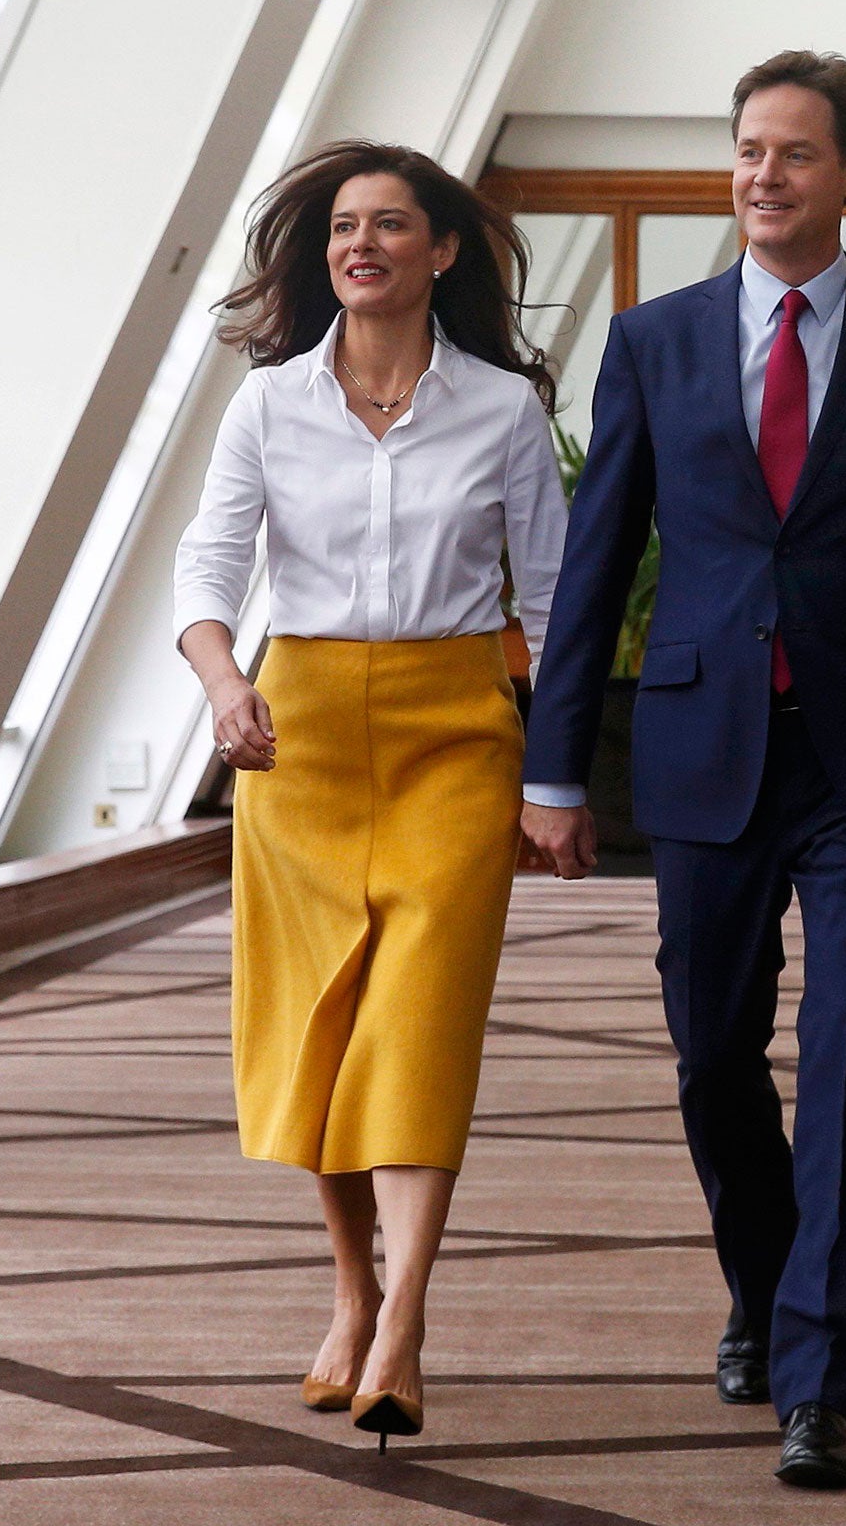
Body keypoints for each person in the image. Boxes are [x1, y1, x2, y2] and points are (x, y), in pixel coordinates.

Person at [521, 51, 846, 1490]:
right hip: (703, 754)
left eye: (797, 153)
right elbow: (598, 567)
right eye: (749, 150)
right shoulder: (655, 343)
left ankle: (822, 1378)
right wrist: (554, 770)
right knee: (710, 1057)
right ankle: (759, 1285)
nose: (766, 174)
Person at [171, 140, 564, 1450]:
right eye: (346, 225)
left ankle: (405, 1324)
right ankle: (352, 1290)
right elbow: (209, 570)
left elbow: (555, 605)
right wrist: (228, 687)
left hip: (458, 735)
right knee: (321, 1029)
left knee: (420, 1019)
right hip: (303, 744)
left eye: (393, 225)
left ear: (441, 254)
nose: (364, 244)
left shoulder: (503, 411)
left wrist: (555, 775)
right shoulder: (268, 405)